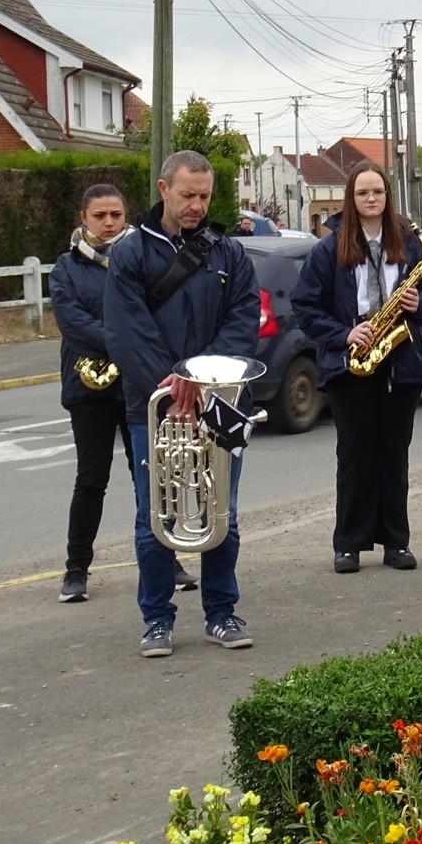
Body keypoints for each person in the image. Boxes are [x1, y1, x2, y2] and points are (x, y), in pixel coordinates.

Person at [105, 150, 260, 657]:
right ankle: (156, 619)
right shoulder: (129, 253)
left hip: (218, 398)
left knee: (223, 512)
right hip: (153, 404)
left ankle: (221, 612)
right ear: (163, 188)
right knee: (155, 514)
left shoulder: (229, 252)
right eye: (187, 195)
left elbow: (242, 319)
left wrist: (200, 377)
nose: (197, 205)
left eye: (205, 196)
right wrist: (172, 383)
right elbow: (126, 330)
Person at [51, 185, 194, 602]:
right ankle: (76, 570)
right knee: (91, 479)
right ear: (84, 218)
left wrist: (133, 347)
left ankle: (169, 560)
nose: (109, 222)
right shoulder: (66, 267)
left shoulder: (140, 258)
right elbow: (72, 322)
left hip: (137, 385)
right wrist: (123, 340)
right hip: (88, 385)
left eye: (115, 213)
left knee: (149, 476)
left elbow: (156, 315)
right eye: (100, 215)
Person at [290, 162, 422, 575]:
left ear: (388, 197)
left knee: (394, 455)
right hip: (349, 363)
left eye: (379, 192)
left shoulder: (409, 244)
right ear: (351, 199)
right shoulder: (327, 249)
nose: (372, 199)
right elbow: (304, 307)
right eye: (363, 193)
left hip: (400, 361)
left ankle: (396, 544)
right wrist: (344, 333)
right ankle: (348, 544)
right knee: (354, 453)